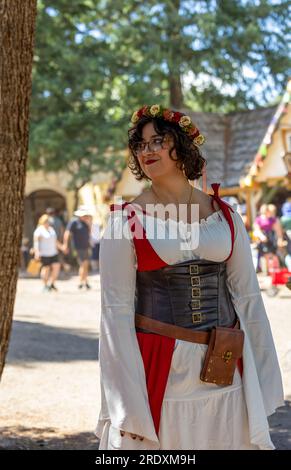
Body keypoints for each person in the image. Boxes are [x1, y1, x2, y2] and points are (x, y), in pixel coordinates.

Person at [96, 104, 283, 450]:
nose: (147, 150)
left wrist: (264, 377)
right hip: (159, 368)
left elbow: (247, 296)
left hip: (225, 363)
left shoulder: (226, 215)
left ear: (181, 146)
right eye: (141, 144)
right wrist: (125, 403)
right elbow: (115, 311)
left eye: (158, 141)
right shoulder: (125, 221)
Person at [63, 206, 92, 289]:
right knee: (83, 264)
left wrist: (89, 223)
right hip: (78, 247)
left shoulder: (85, 223)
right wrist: (65, 244)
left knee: (85, 264)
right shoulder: (74, 222)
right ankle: (82, 281)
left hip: (86, 246)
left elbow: (90, 233)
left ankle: (84, 281)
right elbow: (67, 233)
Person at [33, 214, 63, 291]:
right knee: (46, 269)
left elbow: (55, 241)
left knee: (56, 267)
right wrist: (37, 252)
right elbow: (36, 242)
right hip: (44, 253)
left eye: (48, 221)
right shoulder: (39, 230)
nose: (47, 222)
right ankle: (45, 285)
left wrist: (61, 247)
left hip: (53, 252)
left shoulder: (51, 229)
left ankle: (52, 284)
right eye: (46, 221)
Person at [253, 204, 284, 274]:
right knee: (266, 256)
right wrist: (261, 236)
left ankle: (275, 272)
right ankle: (269, 272)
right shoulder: (259, 219)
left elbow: (278, 230)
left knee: (274, 255)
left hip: (271, 238)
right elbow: (256, 229)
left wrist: (280, 239)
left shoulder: (272, 219)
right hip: (263, 239)